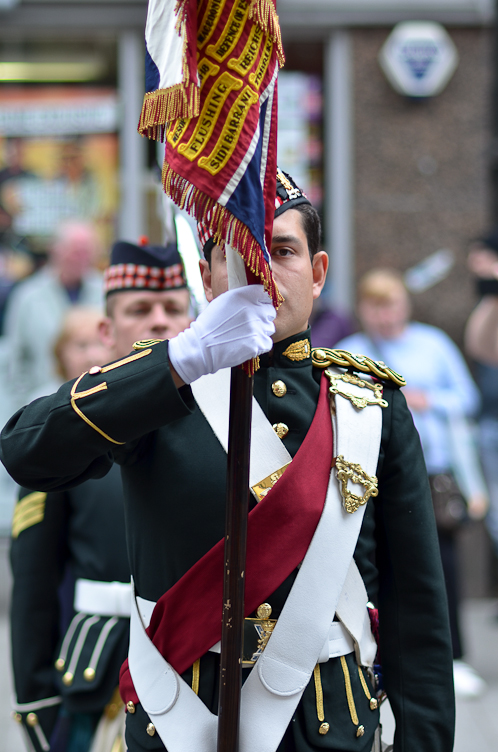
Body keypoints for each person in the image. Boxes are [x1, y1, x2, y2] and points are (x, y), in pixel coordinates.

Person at [1, 171, 455, 752]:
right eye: (238, 255)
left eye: (283, 251)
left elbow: (416, 608)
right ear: (210, 280)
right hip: (181, 718)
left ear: (317, 275)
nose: (262, 271)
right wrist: (181, 359)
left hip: (327, 727)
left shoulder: (369, 406)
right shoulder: (158, 388)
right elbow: (25, 450)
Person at [9, 241, 193, 752]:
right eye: (140, 310)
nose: (159, 321)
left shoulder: (229, 426)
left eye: (173, 309)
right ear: (107, 332)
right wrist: (36, 698)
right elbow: (34, 583)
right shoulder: (68, 432)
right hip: (100, 675)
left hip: (198, 672)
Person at [336, 268, 487, 699]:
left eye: (392, 305)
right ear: (362, 310)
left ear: (406, 305)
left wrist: (428, 400)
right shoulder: (350, 352)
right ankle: (378, 657)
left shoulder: (433, 344)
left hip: (432, 473)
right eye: (375, 307)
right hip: (369, 475)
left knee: (444, 567)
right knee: (374, 566)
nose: (385, 316)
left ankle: (454, 658)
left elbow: (469, 400)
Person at [3, 220, 103, 406]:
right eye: (74, 251)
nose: (80, 258)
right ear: (55, 250)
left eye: (86, 252)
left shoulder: (105, 291)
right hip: (42, 406)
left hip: (98, 404)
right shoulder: (27, 296)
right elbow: (14, 361)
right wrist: (21, 412)